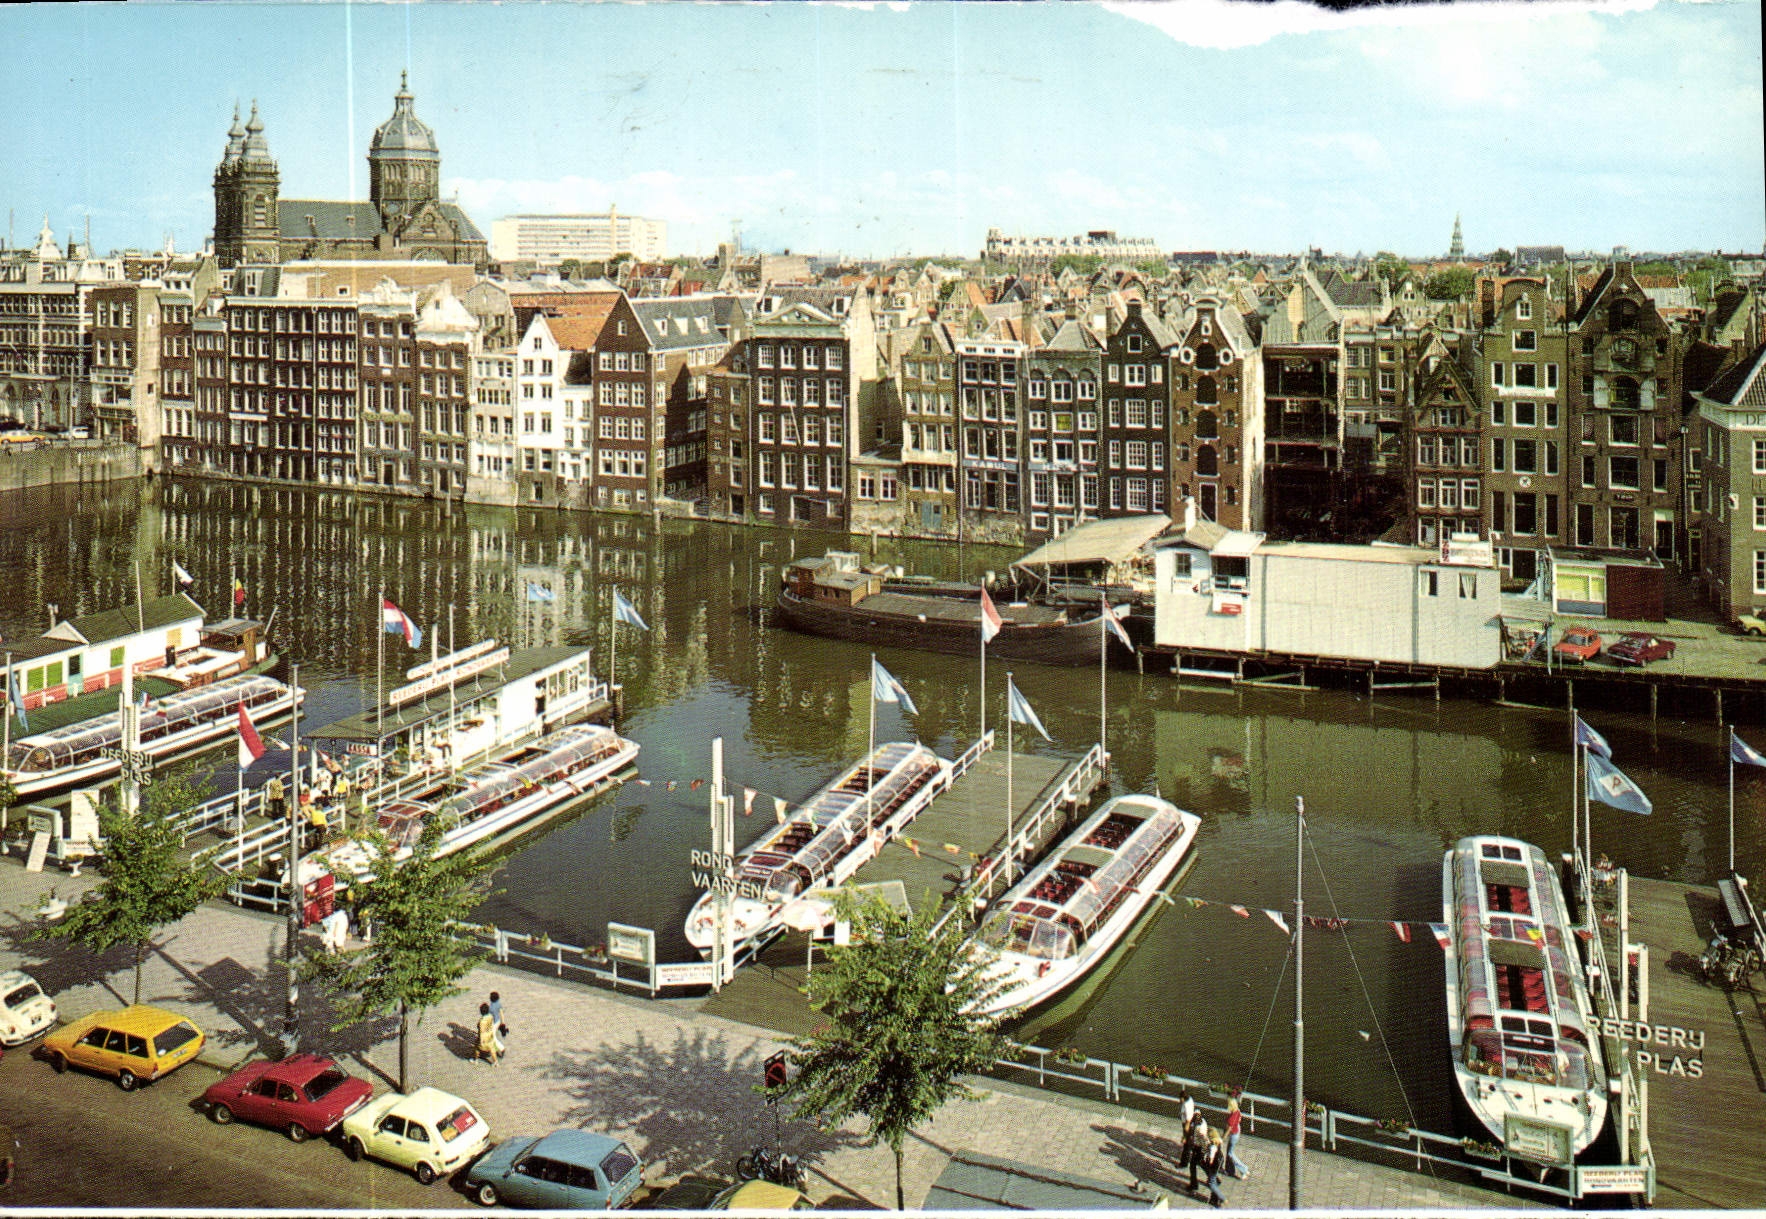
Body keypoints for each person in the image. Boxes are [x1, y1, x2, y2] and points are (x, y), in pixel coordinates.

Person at [1224, 1091, 1250, 1180]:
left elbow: (1229, 1129)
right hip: (1237, 1131)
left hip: (1233, 1135)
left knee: (1230, 1154)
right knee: (1229, 1152)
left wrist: (1223, 1138)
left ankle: (1244, 1169)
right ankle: (1230, 1170)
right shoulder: (1237, 1111)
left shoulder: (1232, 1117)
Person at [1184, 1112, 1211, 1192]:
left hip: (1199, 1148)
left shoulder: (1199, 1130)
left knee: (1193, 1165)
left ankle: (1194, 1185)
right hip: (1199, 1148)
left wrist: (1203, 1152)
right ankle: (1213, 1178)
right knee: (1202, 1164)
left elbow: (1205, 1141)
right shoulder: (1203, 1121)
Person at [1204, 1131, 1226, 1209]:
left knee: (1212, 1183)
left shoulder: (1212, 1147)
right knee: (1212, 1181)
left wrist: (1208, 1160)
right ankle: (1214, 1199)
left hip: (1212, 1166)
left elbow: (1210, 1159)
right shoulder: (1218, 1144)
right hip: (1216, 1166)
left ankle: (1219, 1199)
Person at [476, 1002, 503, 1066]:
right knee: (492, 1049)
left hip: (484, 1038)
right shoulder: (490, 1017)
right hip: (490, 1036)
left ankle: (475, 1059)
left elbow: (482, 1032)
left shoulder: (482, 1021)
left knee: (477, 1048)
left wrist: (481, 1041)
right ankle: (496, 1062)